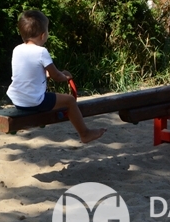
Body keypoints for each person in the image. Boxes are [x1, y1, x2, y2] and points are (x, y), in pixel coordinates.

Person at [6, 10, 105, 144]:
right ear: (43, 35)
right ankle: (85, 134)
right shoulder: (41, 52)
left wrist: (47, 75)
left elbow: (28, 75)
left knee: (52, 99)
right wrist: (66, 76)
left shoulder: (17, 49)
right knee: (70, 100)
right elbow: (57, 76)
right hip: (34, 101)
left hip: (18, 100)